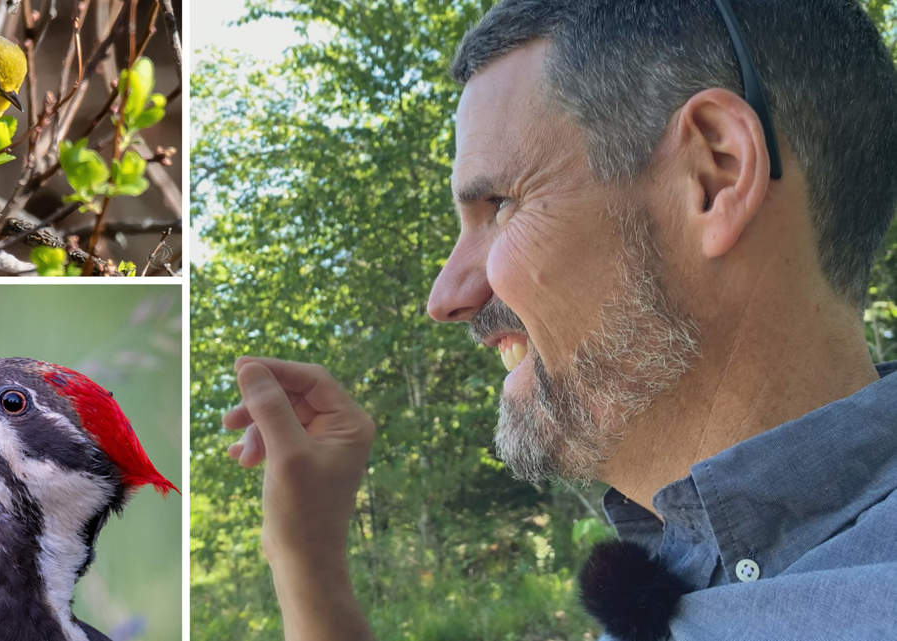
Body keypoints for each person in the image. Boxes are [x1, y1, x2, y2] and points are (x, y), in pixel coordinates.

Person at [223, 1, 897, 639]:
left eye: (499, 204)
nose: (445, 296)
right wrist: (305, 555)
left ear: (714, 176)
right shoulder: (677, 581)